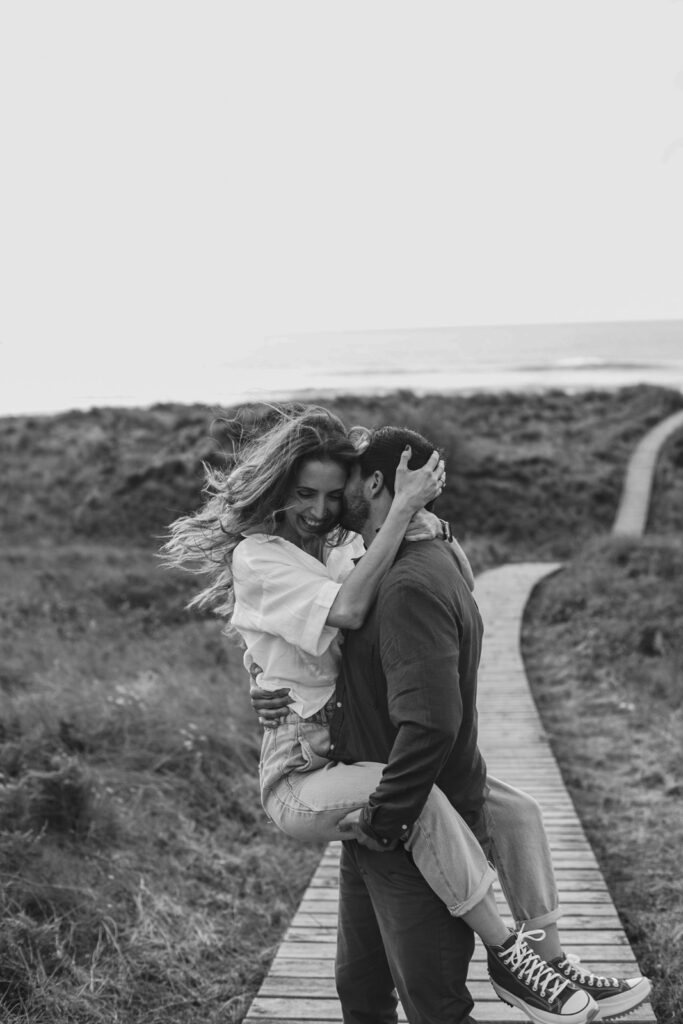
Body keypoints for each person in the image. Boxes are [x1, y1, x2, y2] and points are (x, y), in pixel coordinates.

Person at [165, 406, 649, 1024]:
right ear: (279, 489)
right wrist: (396, 510)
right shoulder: (260, 555)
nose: (318, 509)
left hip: (350, 749)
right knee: (416, 799)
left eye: (333, 495)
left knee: (516, 812)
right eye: (304, 494)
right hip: (301, 770)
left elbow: (457, 575)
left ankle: (550, 958)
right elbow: (343, 611)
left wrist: (423, 512)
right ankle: (507, 954)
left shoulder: (341, 544)